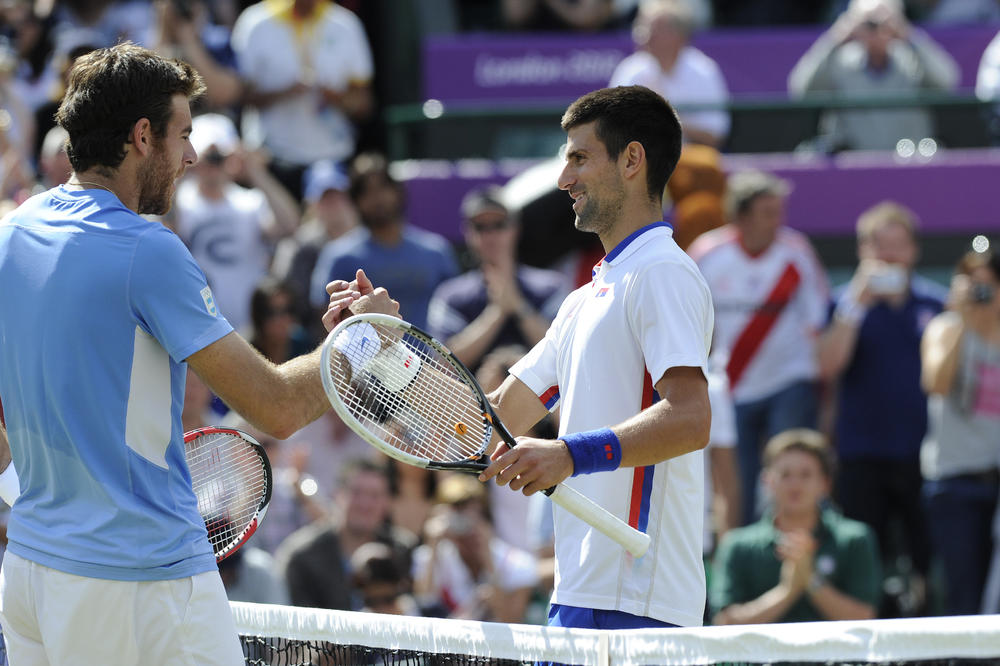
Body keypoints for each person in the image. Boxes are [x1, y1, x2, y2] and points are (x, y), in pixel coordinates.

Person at [0, 42, 398, 665]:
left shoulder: (11, 233)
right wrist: (364, 340)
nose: (189, 154)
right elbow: (277, 408)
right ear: (141, 136)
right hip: (134, 579)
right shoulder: (148, 250)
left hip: (28, 572)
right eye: (182, 133)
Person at [478, 85, 714, 631]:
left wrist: (568, 454)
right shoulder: (583, 300)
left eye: (580, 158)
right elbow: (489, 425)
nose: (565, 179)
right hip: (577, 596)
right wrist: (388, 351)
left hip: (641, 603)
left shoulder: (664, 272)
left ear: (632, 160)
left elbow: (689, 418)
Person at [816, 201, 944, 616]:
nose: (889, 255)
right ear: (861, 250)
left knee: (927, 556)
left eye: (898, 245)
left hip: (923, 455)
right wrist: (857, 302)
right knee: (865, 557)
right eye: (878, 245)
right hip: (861, 453)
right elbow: (829, 364)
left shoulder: (936, 304)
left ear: (914, 250)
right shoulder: (844, 303)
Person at [688, 170, 829, 525]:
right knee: (738, 481)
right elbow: (688, 323)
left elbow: (817, 320)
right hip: (728, 387)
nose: (777, 221)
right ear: (741, 215)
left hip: (789, 381)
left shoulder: (797, 252)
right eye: (768, 212)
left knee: (791, 470)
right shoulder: (707, 254)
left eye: (779, 211)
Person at [710, 429, 881, 624]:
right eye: (785, 474)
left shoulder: (855, 539)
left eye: (806, 475)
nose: (795, 484)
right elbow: (723, 621)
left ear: (825, 483)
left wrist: (811, 580)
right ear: (767, 481)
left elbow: (865, 617)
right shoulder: (736, 545)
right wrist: (786, 592)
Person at [919, 248, 1000, 615]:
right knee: (963, 600)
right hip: (954, 482)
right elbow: (935, 383)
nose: (981, 292)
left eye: (989, 283)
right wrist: (964, 321)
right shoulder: (946, 328)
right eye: (973, 283)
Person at [230, 0, 374, 198]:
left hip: (333, 158)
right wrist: (285, 92)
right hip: (274, 157)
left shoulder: (346, 24)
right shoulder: (254, 22)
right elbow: (237, 94)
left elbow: (364, 103)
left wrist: (336, 98)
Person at [173, 111, 300, 332]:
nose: (213, 166)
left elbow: (290, 225)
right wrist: (181, 169)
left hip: (250, 327)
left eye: (219, 158)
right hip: (200, 326)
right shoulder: (179, 201)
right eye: (208, 158)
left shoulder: (250, 202)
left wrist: (255, 170)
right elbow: (166, 232)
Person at [311, 152, 459, 331]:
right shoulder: (338, 257)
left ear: (397, 191)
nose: (377, 198)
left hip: (430, 358)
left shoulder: (436, 251)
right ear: (356, 201)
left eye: (383, 187)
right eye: (366, 191)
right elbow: (326, 321)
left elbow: (455, 312)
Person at [427, 185, 568, 372]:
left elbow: (565, 353)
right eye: (480, 227)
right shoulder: (450, 295)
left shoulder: (551, 286)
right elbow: (441, 364)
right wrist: (496, 312)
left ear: (515, 229)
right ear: (467, 232)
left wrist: (519, 307)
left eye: (499, 225)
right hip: (474, 401)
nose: (490, 235)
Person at [788, 0, 959, 152]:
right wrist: (835, 38)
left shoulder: (913, 61)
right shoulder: (840, 62)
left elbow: (949, 82)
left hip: (908, 160)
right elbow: (800, 90)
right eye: (869, 23)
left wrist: (910, 36)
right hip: (852, 165)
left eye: (885, 22)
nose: (877, 31)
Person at [275, 458, 416, 611]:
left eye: (375, 495)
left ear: (387, 502)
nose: (365, 504)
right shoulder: (302, 556)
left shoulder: (403, 551)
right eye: (357, 492)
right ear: (338, 494)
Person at [412, 474, 540, 623]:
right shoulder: (430, 557)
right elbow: (424, 602)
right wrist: (432, 543)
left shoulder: (517, 563)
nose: (466, 524)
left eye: (472, 513)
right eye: (458, 513)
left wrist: (488, 559)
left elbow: (511, 619)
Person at [609, 0, 730, 148]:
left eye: (655, 29)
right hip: (640, 158)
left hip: (689, 159)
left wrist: (665, 117)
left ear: (678, 35)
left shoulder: (704, 70)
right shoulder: (630, 69)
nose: (644, 35)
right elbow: (612, 127)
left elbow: (716, 135)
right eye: (642, 26)